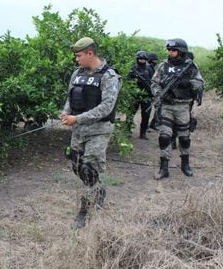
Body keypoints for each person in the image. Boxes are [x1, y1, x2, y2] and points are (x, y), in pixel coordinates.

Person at [60, 37, 121, 229]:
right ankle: (99, 190)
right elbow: (70, 96)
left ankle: (84, 213)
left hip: (99, 130)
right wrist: (66, 112)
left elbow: (106, 107)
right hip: (79, 130)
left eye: (79, 55)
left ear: (90, 53)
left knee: (89, 169)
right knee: (77, 166)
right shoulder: (77, 73)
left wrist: (78, 118)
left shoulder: (109, 76)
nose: (76, 59)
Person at [151, 39, 204, 179]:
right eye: (169, 50)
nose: (170, 52)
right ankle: (164, 168)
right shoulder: (163, 66)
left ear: (181, 51)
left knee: (184, 138)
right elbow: (154, 83)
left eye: (173, 50)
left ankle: (185, 164)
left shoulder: (191, 66)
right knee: (164, 137)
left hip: (183, 106)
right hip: (167, 105)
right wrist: (159, 95)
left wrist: (187, 83)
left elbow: (200, 84)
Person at [126, 51, 154, 139]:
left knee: (146, 115)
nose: (142, 60)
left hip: (147, 95)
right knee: (130, 114)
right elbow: (128, 81)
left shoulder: (149, 69)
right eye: (140, 59)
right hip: (135, 95)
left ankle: (143, 133)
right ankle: (127, 132)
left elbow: (153, 81)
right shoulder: (133, 69)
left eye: (143, 59)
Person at [147, 52, 161, 130]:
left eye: (156, 60)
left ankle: (154, 123)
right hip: (148, 91)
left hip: (156, 91)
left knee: (158, 108)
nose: (155, 62)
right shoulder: (146, 67)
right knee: (147, 110)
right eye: (153, 60)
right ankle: (146, 126)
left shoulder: (157, 68)